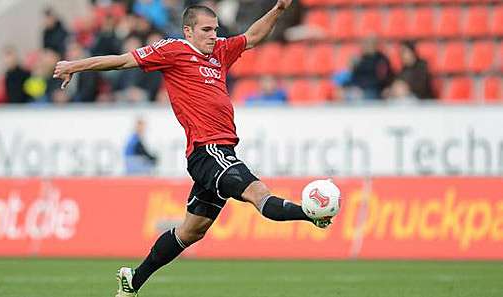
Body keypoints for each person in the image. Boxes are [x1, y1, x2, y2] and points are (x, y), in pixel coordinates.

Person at [53, 2, 332, 296]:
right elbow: (123, 61)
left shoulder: (220, 52)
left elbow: (251, 37)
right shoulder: (172, 51)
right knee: (259, 194)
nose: (214, 35)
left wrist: (278, 9)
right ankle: (311, 214)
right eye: (206, 30)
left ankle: (133, 280)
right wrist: (75, 66)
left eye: (215, 29)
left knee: (190, 232)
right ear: (188, 31)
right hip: (208, 152)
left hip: (222, 153)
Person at [347, 35, 394, 100]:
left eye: (368, 43)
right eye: (365, 43)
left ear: (375, 45)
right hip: (357, 89)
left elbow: (383, 78)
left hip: (374, 89)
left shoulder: (381, 60)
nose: (365, 46)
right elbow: (354, 76)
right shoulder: (360, 59)